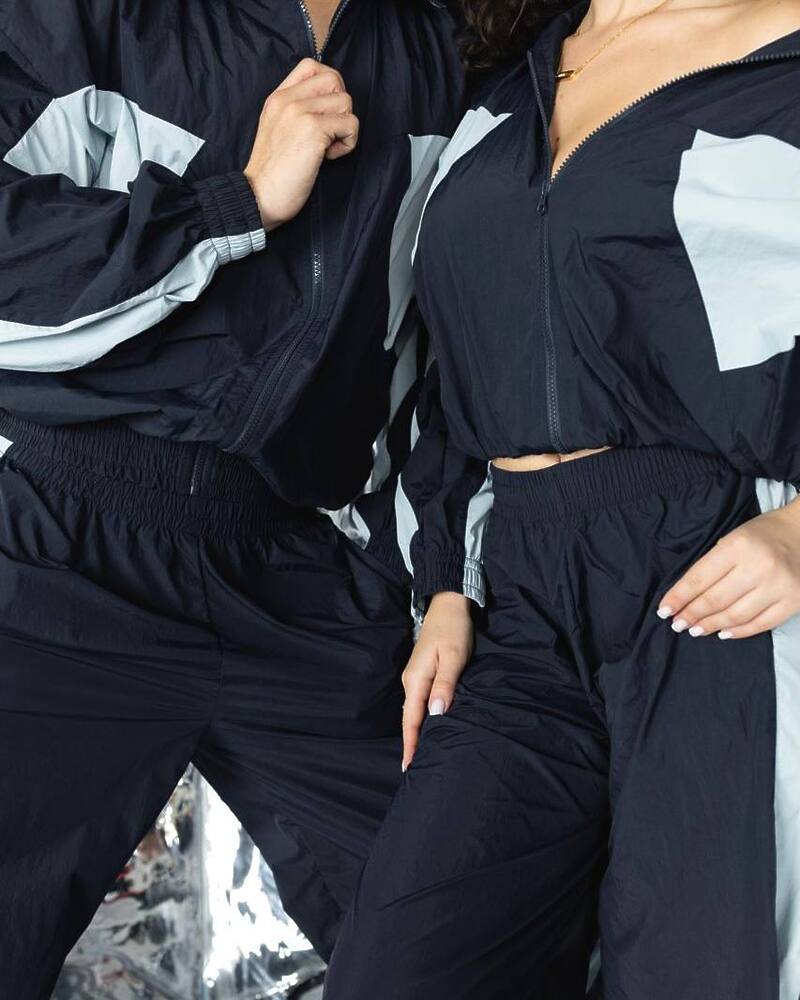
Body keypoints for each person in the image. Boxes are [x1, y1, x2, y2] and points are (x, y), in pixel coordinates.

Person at [0, 1, 479, 995]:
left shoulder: (451, 48)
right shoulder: (79, 15)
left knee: (475, 932)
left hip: (306, 572)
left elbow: (463, 350)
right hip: (56, 546)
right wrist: (237, 203)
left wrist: (446, 573)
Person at [323, 1, 800, 997]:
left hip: (719, 573)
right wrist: (448, 581)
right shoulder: (505, 83)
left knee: (706, 973)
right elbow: (457, 362)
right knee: (403, 967)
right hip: (520, 601)